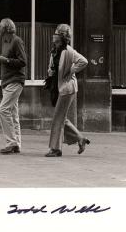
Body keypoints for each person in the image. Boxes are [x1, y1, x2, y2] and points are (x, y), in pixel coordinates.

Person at [45, 24, 90, 157]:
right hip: (59, 87)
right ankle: (80, 139)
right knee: (62, 118)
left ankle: (55, 149)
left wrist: (72, 70)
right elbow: (53, 68)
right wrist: (50, 71)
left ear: (62, 36)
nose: (54, 36)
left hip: (67, 88)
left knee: (57, 118)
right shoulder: (55, 50)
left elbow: (84, 61)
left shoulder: (68, 51)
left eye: (57, 34)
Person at [0, 18, 27, 154]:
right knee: (12, 113)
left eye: (0, 27)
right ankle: (17, 144)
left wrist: (5, 60)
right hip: (7, 81)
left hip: (15, 81)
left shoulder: (16, 41)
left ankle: (11, 142)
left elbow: (23, 61)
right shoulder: (5, 42)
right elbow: (9, 62)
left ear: (6, 29)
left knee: (3, 110)